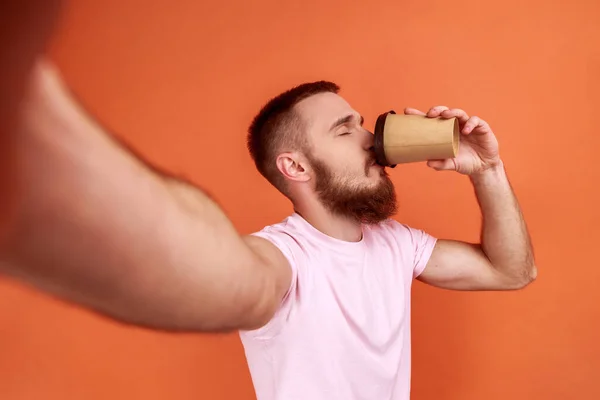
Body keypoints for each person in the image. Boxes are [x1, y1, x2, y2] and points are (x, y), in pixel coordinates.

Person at [1, 6, 536, 398]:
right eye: (344, 128)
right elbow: (239, 278)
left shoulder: (397, 245)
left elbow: (513, 272)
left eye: (361, 122)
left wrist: (487, 169)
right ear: (296, 167)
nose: (371, 136)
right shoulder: (283, 258)